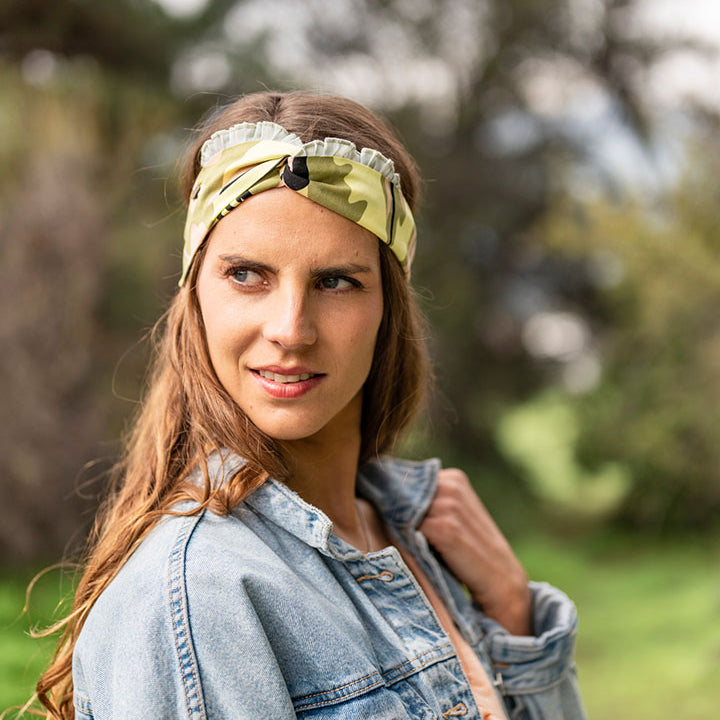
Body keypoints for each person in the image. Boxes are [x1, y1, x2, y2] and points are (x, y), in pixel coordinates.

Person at [35, 91, 587, 720]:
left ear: (388, 308)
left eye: (336, 281)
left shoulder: (408, 533)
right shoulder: (200, 592)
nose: (291, 329)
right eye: (246, 275)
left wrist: (513, 615)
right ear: (196, 295)